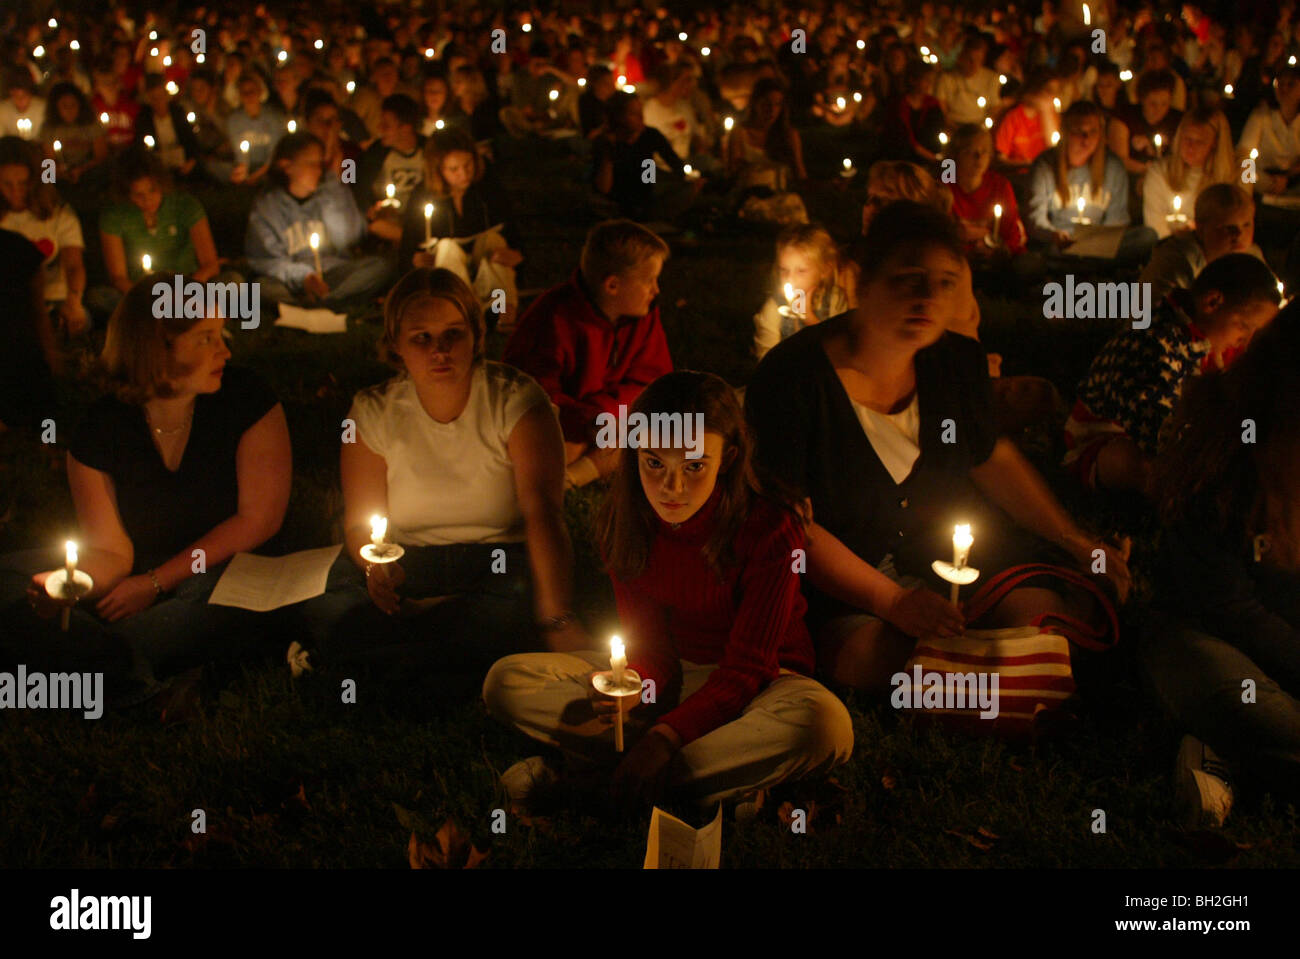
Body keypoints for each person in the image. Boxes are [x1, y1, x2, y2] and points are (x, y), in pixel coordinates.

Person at [745, 202, 1130, 691]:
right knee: (870, 660)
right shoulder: (791, 380)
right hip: (843, 583)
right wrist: (894, 602)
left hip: (940, 556)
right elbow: (795, 527)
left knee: (1041, 612)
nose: (928, 297)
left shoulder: (955, 361)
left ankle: (993, 661)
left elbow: (990, 456)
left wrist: (1074, 541)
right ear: (862, 281)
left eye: (946, 282)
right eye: (909, 278)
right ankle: (1007, 668)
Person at [483, 371, 854, 810]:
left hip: (764, 686)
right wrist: (634, 687)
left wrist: (660, 739)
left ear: (728, 459)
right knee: (507, 680)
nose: (671, 488)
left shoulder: (770, 529)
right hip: (675, 679)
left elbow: (747, 669)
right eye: (654, 463)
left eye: (695, 466)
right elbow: (654, 652)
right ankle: (697, 777)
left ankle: (591, 782)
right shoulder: (625, 522)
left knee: (824, 725)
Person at [0, 276, 291, 708]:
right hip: (137, 567)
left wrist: (154, 584)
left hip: (225, 571)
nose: (225, 351)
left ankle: (101, 667)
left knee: (164, 625)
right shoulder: (101, 429)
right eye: (206, 339)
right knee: (9, 578)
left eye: (222, 335)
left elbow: (259, 519)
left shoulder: (247, 399)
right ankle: (102, 662)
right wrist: (67, 587)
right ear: (157, 347)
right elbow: (112, 553)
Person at [294, 268, 588, 672]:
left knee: (506, 612)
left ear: (476, 335)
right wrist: (374, 567)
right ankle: (442, 651)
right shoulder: (373, 412)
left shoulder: (515, 401)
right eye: (421, 338)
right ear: (395, 344)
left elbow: (544, 511)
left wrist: (558, 618)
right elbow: (360, 523)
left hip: (497, 562)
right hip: (409, 562)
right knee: (327, 605)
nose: (440, 350)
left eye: (454, 333)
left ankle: (373, 661)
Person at [1141, 304, 1300, 827]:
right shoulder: (1225, 452)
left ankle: (1221, 756)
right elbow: (1228, 610)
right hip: (1205, 639)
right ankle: (1237, 743)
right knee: (1246, 705)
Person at [1064, 254, 1280, 494]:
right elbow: (1157, 431)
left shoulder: (1211, 341)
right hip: (1112, 437)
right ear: (1212, 302)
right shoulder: (1155, 344)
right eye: (1244, 328)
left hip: (1183, 435)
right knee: (1127, 463)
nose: (1245, 341)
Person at [503, 219, 673, 489]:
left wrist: (604, 413)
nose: (656, 290)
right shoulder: (554, 318)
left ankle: (571, 478)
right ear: (613, 286)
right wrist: (585, 420)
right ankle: (571, 475)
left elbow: (653, 382)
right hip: (565, 425)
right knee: (565, 447)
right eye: (649, 281)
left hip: (610, 419)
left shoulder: (643, 316)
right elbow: (533, 394)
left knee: (672, 427)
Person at [245, 132, 396, 319]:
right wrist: (304, 277)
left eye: (321, 164)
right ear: (286, 166)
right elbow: (267, 260)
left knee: (379, 266)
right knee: (263, 286)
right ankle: (315, 306)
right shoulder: (268, 206)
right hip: (290, 281)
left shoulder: (329, 193)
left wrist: (333, 182)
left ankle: (320, 306)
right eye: (312, 164)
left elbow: (348, 237)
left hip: (331, 274)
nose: (319, 171)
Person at [399, 131, 523, 326]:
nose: (464, 174)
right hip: (449, 271)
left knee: (494, 241)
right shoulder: (423, 195)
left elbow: (511, 228)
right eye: (454, 169)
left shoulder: (487, 186)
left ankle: (502, 309)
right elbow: (408, 245)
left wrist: (516, 253)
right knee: (446, 247)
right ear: (439, 170)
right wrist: (415, 260)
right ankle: (460, 311)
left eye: (468, 165)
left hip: (485, 268)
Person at [91, 149, 226, 323]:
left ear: (162, 183)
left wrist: (184, 290)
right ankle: (184, 316)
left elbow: (210, 264)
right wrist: (148, 296)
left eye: (152, 190)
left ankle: (172, 315)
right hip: (141, 292)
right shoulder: (114, 215)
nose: (147, 200)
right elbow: (118, 277)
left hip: (187, 286)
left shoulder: (185, 205)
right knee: (98, 298)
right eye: (138, 195)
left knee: (232, 283)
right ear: (126, 193)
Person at [1026, 100, 1156, 261]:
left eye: (1093, 131)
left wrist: (1100, 240)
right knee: (1042, 252)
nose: (1086, 138)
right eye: (1078, 131)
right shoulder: (1045, 166)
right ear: (1065, 133)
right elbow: (1035, 220)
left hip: (1100, 244)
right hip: (1061, 243)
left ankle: (1083, 265)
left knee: (1147, 236)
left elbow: (1118, 219)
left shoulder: (1113, 167)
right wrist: (1055, 235)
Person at [0, 136, 89, 335]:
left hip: (54, 300)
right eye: (7, 184)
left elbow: (73, 264)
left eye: (22, 183)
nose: (15, 192)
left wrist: (73, 301)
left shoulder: (58, 215)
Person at [1141, 184, 1268, 303]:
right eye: (1228, 227)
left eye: (1246, 225)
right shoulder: (1176, 263)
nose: (1239, 235)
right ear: (1201, 229)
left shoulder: (1252, 256)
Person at [753, 225, 856, 360]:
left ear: (824, 271)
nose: (790, 279)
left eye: (801, 271)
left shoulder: (835, 302)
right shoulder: (773, 309)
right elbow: (766, 361)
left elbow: (841, 354)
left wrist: (808, 318)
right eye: (784, 270)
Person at [593, 92, 698, 223]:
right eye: (634, 114)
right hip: (614, 201)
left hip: (647, 194)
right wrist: (608, 153)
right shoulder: (607, 142)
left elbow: (675, 165)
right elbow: (603, 188)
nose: (641, 117)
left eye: (640, 112)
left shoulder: (650, 135)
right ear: (619, 117)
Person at [1143, 108, 1236, 238]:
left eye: (1200, 142)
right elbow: (1156, 230)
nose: (1191, 147)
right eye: (1187, 138)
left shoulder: (1236, 173)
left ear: (1215, 143)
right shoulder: (1159, 173)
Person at [0, 226, 58, 434]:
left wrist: (49, 353)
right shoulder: (20, 248)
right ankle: (47, 438)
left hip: (20, 351)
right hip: (24, 349)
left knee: (43, 408)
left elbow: (38, 310)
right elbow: (39, 311)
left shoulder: (18, 249)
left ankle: (47, 438)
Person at [945, 124, 1028, 255]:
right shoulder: (945, 187)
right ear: (955, 156)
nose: (979, 157)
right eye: (970, 151)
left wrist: (995, 247)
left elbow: (1014, 235)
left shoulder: (1000, 186)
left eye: (984, 151)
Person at [1236, 63, 1300, 195]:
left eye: (1291, 84)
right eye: (1279, 84)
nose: (1284, 89)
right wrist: (1249, 188)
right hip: (1259, 182)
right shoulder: (1261, 116)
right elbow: (1244, 154)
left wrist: (1286, 179)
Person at [1108, 69, 1182, 179]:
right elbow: (1120, 160)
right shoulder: (1125, 117)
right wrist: (1148, 170)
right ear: (1142, 99)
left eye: (1164, 104)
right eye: (1153, 104)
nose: (1159, 109)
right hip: (1131, 178)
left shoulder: (1177, 120)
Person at [40, 82, 109, 186]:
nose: (69, 110)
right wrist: (61, 173)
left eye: (73, 105)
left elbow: (101, 155)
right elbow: (49, 160)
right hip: (60, 174)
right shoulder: (49, 128)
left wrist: (81, 170)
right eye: (64, 106)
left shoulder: (91, 124)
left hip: (89, 172)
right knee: (46, 174)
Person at [935, 33, 1002, 126]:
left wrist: (983, 126)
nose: (973, 64)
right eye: (970, 59)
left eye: (978, 59)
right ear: (962, 57)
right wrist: (949, 124)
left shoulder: (991, 78)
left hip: (978, 125)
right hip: (953, 123)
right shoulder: (947, 78)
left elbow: (994, 107)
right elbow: (941, 105)